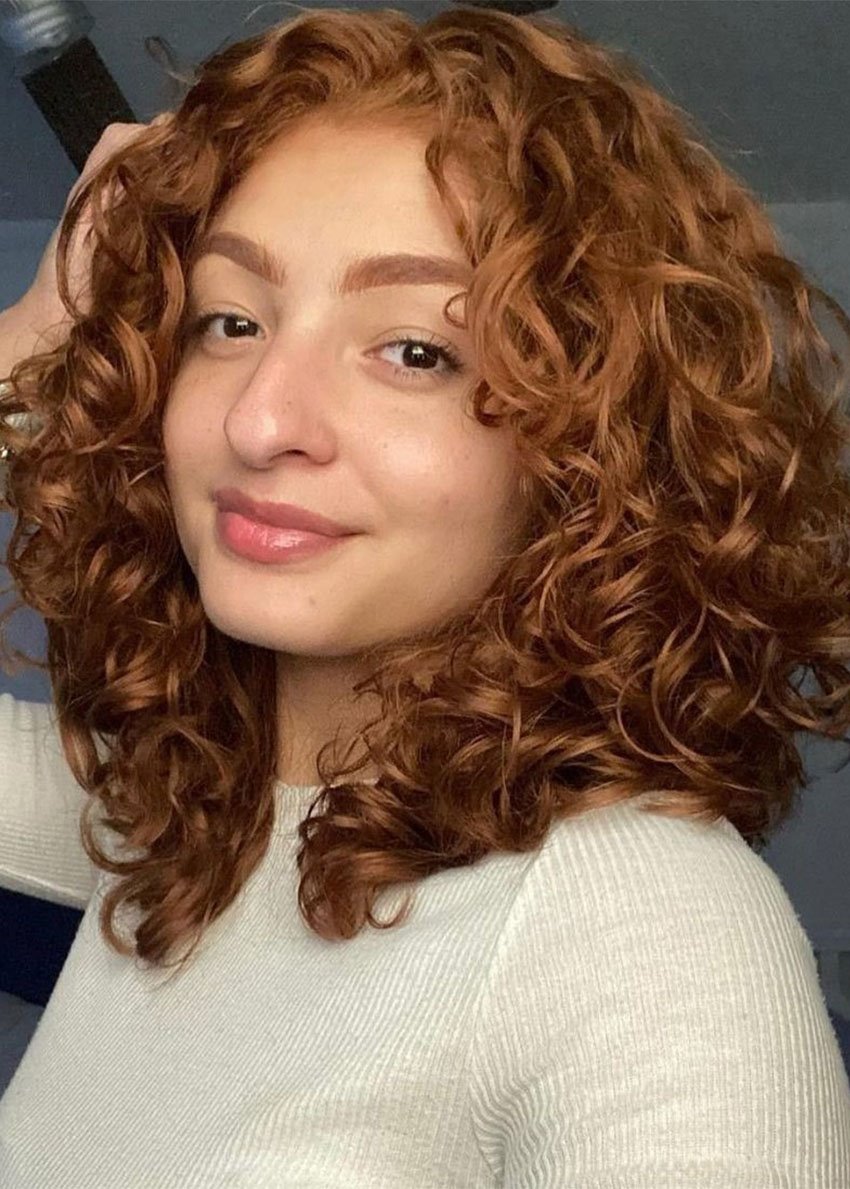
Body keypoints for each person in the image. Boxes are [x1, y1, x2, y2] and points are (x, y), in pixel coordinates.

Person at [1, 5, 849, 1185]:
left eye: (413, 351)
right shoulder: (166, 819)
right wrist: (31, 343)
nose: (260, 419)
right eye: (229, 321)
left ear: (586, 447)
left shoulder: (642, 924)